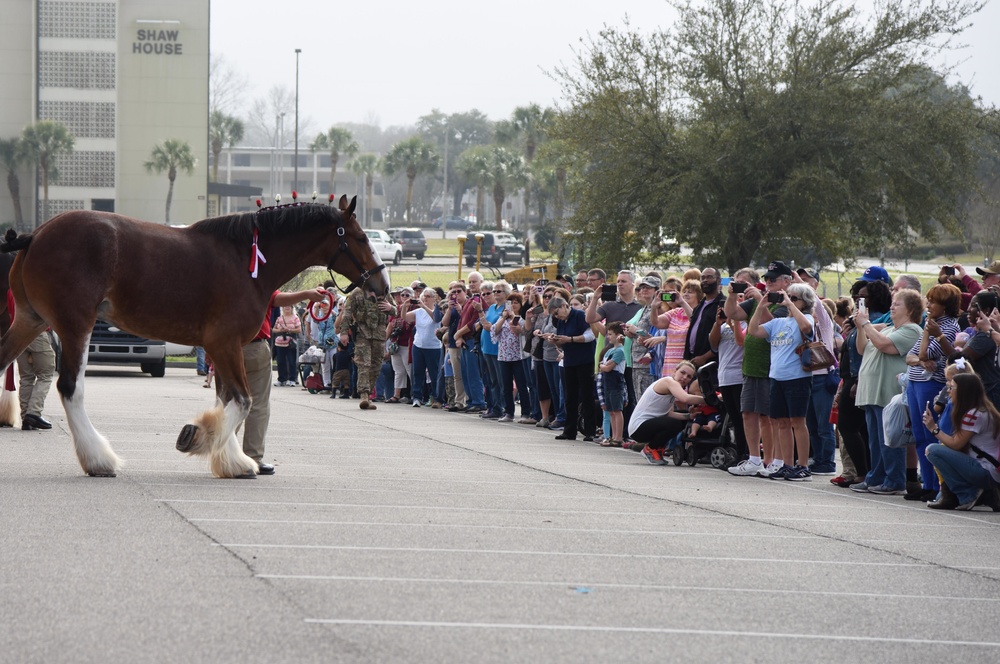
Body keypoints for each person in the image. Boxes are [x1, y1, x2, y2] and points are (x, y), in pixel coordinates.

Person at [240, 287, 328, 474]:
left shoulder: (225, 275)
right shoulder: (255, 274)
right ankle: (251, 458)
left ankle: (223, 453)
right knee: (257, 404)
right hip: (254, 344)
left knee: (230, 402)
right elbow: (276, 298)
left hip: (226, 345)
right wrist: (307, 294)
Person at [850, 288, 924, 494]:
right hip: (873, 391)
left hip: (888, 392)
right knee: (875, 440)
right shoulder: (888, 328)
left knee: (889, 439)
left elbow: (884, 346)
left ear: (910, 309)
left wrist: (866, 324)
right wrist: (860, 328)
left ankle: (894, 480)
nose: (891, 307)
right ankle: (876, 476)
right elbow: (862, 348)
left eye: (897, 304)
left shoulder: (912, 330)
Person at [747, 282, 817, 481]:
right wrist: (761, 305)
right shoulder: (778, 322)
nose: (788, 300)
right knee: (781, 422)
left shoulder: (807, 318)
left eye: (794, 298)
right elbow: (754, 331)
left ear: (805, 302)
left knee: (798, 421)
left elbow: (807, 328)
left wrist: (790, 304)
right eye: (787, 296)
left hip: (798, 378)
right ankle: (787, 464)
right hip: (776, 377)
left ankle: (803, 466)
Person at [905, 284, 962, 497]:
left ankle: (937, 487)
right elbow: (910, 357)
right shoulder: (932, 324)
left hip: (930, 385)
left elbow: (922, 354)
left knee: (931, 436)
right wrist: (920, 361)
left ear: (945, 306)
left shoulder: (947, 328)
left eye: (933, 301)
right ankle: (927, 484)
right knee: (919, 435)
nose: (928, 305)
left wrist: (928, 337)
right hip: (915, 382)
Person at [922, 372, 1000, 510]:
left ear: (963, 391)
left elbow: (956, 444)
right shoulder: (981, 410)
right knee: (943, 497)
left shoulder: (975, 414)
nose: (948, 392)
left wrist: (933, 428)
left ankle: (969, 494)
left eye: (951, 388)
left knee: (933, 450)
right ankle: (986, 494)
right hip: (986, 469)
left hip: (986, 470)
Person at [629, 362, 705, 464]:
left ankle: (658, 447)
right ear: (675, 371)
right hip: (638, 427)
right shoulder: (669, 382)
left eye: (689, 376)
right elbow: (685, 398)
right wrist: (709, 399)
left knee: (682, 417)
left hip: (648, 425)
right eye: (682, 373)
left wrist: (689, 416)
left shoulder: (672, 389)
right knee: (675, 423)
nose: (684, 377)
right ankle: (650, 449)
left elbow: (667, 414)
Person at [337, 285, 397, 410]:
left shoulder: (384, 292)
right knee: (364, 364)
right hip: (362, 333)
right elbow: (347, 312)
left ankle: (368, 395)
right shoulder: (358, 292)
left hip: (380, 334)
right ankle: (364, 395)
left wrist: (390, 308)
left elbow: (395, 311)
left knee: (376, 366)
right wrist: (343, 332)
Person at [549, 296, 597, 441]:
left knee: (587, 396)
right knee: (570, 397)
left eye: (557, 312)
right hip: (570, 361)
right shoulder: (562, 321)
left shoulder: (580, 315)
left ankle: (590, 431)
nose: (556, 316)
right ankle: (569, 430)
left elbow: (590, 336)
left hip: (585, 360)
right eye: (554, 315)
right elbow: (563, 342)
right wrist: (556, 341)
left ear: (564, 306)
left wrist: (570, 339)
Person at [491, 291, 532, 423]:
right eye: (511, 303)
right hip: (504, 356)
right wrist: (503, 317)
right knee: (506, 386)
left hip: (518, 356)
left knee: (522, 384)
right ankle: (509, 412)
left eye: (516, 303)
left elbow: (524, 329)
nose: (513, 305)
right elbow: (494, 331)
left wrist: (514, 316)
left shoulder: (522, 318)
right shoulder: (503, 318)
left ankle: (526, 412)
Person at [405, 287, 444, 408]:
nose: (425, 298)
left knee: (434, 373)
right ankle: (417, 397)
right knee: (418, 372)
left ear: (434, 298)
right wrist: (404, 308)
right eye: (424, 296)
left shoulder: (437, 310)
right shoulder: (418, 312)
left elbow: (435, 318)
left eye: (428, 296)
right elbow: (405, 318)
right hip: (419, 345)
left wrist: (423, 306)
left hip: (433, 347)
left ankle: (436, 397)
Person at [684, 267, 726, 367]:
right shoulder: (700, 306)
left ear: (718, 280)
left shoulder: (723, 305)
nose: (705, 280)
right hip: (692, 359)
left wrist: (705, 357)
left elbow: (724, 338)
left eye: (709, 277)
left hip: (710, 364)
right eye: (702, 278)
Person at [17, 331, 56, 430]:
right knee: (45, 375)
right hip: (37, 332)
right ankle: (33, 413)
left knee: (26, 378)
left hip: (17, 336)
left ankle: (26, 418)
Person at [598, 321, 628, 446]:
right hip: (607, 383)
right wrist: (603, 366)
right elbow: (603, 366)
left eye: (611, 334)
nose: (608, 336)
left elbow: (608, 367)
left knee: (617, 410)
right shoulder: (610, 351)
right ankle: (613, 435)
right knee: (611, 411)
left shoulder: (620, 351)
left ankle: (618, 437)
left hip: (615, 382)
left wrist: (603, 366)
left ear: (618, 336)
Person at [385, 288, 416, 404]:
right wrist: (384, 340)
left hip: (407, 343)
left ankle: (415, 394)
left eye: (407, 295)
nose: (403, 297)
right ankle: (396, 394)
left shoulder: (414, 309)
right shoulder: (397, 310)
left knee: (409, 369)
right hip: (396, 343)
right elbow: (390, 325)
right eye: (402, 295)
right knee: (398, 370)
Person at [271, 304, 301, 387]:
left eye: (289, 306)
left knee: (292, 361)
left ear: (292, 308)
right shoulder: (279, 318)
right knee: (280, 362)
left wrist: (290, 330)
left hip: (290, 343)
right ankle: (281, 379)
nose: (287, 307)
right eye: (285, 306)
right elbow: (273, 329)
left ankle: (292, 379)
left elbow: (299, 329)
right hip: (279, 342)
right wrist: (280, 330)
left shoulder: (295, 317)